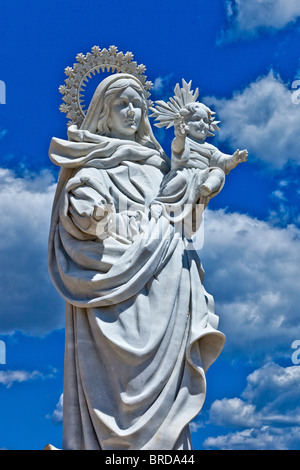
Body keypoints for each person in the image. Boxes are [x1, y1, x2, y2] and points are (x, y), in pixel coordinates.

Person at [48, 73, 225, 450]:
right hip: (113, 285)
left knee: (167, 407)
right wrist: (93, 215)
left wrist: (198, 190)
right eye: (121, 104)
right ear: (103, 112)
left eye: (137, 104)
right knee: (115, 391)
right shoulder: (91, 164)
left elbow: (185, 219)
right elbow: (77, 207)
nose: (131, 112)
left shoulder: (159, 165)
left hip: (166, 283)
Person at [150, 101, 248, 221]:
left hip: (202, 178)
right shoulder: (183, 141)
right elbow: (178, 152)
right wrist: (180, 137)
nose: (202, 124)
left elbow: (222, 161)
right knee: (180, 178)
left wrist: (233, 159)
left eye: (206, 121)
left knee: (218, 172)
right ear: (185, 122)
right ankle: (159, 202)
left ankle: (208, 187)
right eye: (196, 119)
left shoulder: (211, 149)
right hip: (183, 172)